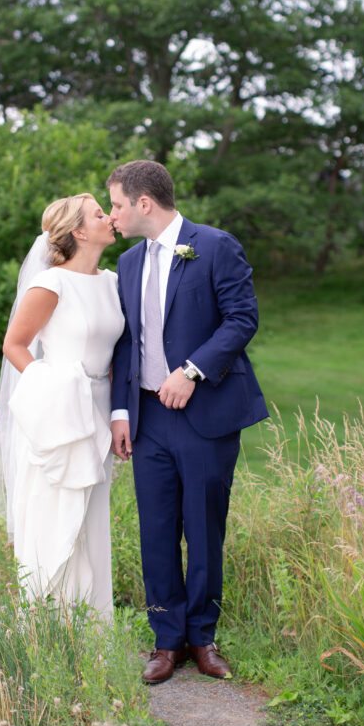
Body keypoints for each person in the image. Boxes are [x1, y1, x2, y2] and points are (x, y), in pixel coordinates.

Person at [107, 160, 268, 683]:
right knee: (155, 531)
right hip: (148, 416)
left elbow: (243, 318)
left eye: (117, 205)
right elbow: (126, 342)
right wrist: (121, 411)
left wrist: (192, 371)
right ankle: (165, 641)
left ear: (144, 204)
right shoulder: (129, 263)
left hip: (206, 414)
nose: (113, 215)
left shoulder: (216, 245)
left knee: (203, 530)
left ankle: (203, 637)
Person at [0, 193, 123, 619]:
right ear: (79, 231)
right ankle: (49, 625)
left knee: (91, 520)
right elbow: (15, 344)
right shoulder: (51, 283)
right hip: (59, 415)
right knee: (56, 520)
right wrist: (51, 388)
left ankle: (93, 631)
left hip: (100, 410)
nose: (110, 217)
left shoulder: (113, 281)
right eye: (101, 213)